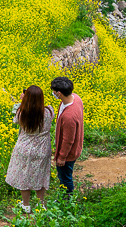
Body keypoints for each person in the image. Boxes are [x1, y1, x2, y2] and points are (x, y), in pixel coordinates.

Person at [5, 84, 54, 213]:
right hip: (42, 149)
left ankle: (26, 205)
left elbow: (16, 121)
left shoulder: (22, 112)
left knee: (23, 175)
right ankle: (41, 204)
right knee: (40, 175)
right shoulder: (48, 112)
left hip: (24, 148)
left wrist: (22, 102)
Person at [51, 76, 84, 195]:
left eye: (53, 91)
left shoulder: (69, 116)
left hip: (68, 153)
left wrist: (62, 157)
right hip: (74, 148)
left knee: (65, 177)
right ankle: (64, 198)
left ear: (59, 93)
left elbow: (68, 140)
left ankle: (67, 201)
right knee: (65, 176)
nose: (53, 93)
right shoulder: (76, 98)